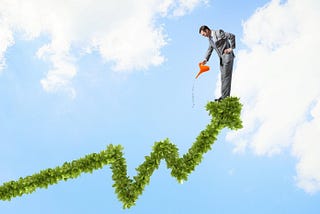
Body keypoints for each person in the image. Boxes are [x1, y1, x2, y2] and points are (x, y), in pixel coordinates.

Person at [199, 25, 236, 101]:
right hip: (222, 60)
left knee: (226, 78)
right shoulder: (210, 39)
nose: (204, 36)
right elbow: (210, 49)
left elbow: (232, 36)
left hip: (228, 57)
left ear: (207, 30)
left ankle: (225, 98)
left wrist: (231, 48)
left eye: (203, 34)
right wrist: (205, 59)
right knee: (223, 78)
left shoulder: (218, 33)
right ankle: (223, 96)